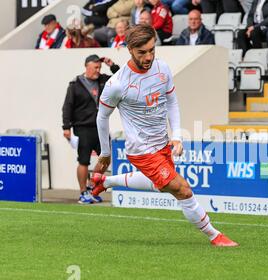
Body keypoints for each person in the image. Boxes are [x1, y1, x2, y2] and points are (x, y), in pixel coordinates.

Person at [91, 24, 238, 247]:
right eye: (142, 52)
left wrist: (176, 135)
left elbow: (171, 101)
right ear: (130, 49)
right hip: (141, 150)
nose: (149, 56)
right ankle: (214, 235)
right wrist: (105, 153)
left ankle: (108, 181)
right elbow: (102, 118)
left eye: (152, 50)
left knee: (160, 184)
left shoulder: (162, 69)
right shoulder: (117, 84)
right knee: (182, 188)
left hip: (162, 144)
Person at [62, 55, 120, 204]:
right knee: (83, 160)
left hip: (101, 126)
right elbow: (67, 106)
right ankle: (83, 192)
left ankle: (91, 187)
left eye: (99, 67)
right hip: (82, 127)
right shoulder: (75, 84)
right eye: (95, 67)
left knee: (105, 159)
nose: (98, 70)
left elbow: (120, 77)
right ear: (87, 66)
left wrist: (111, 65)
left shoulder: (102, 80)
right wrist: (66, 127)